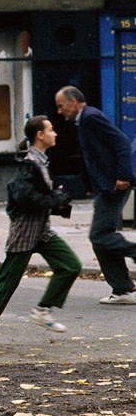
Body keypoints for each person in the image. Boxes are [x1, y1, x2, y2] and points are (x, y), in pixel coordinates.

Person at [0, 115, 80, 347]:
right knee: (8, 282)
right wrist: (54, 198)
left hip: (42, 230)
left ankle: (43, 309)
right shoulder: (30, 163)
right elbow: (24, 197)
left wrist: (55, 201)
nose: (55, 133)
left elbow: (36, 196)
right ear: (40, 135)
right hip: (25, 231)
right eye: (51, 130)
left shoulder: (41, 161)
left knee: (70, 265)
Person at [55, 85, 136, 304]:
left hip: (114, 185)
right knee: (102, 237)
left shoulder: (90, 117)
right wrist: (90, 183)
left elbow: (120, 143)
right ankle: (122, 289)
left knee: (99, 236)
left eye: (61, 106)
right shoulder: (83, 120)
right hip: (105, 185)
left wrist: (123, 176)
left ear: (73, 102)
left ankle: (125, 279)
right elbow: (92, 155)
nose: (59, 111)